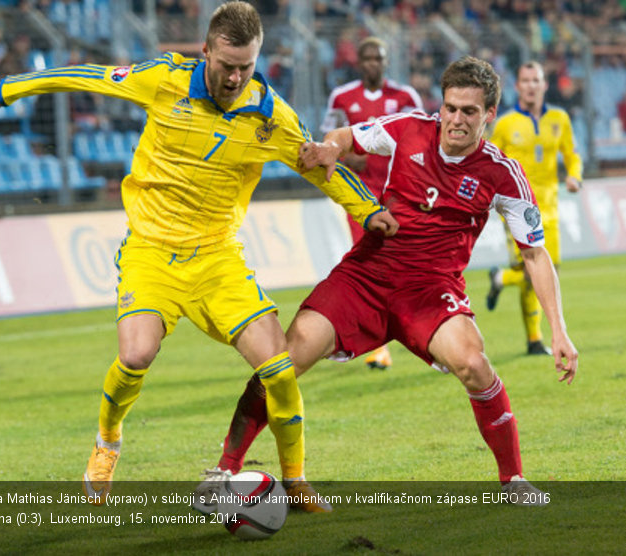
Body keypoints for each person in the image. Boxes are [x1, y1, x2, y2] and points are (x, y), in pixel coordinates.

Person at [0, 1, 397, 511]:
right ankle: (108, 441)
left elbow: (317, 164)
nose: (237, 77)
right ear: (205, 52)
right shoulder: (163, 79)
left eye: (247, 66)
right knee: (135, 356)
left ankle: (296, 480)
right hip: (151, 251)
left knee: (279, 369)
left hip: (218, 259)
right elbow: (91, 78)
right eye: (227, 65)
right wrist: (12, 87)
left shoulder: (270, 115)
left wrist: (369, 208)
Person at [202, 56, 578, 505]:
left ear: (489, 115)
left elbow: (534, 254)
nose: (455, 120)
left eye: (469, 112)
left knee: (475, 366)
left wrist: (559, 330)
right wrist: (329, 149)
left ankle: (513, 481)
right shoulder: (408, 129)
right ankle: (224, 469)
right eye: (450, 108)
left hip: (430, 291)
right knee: (281, 362)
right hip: (368, 275)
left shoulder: (503, 175)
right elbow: (347, 136)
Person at [320, 36, 423, 371]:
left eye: (377, 58)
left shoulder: (406, 97)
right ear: (358, 63)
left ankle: (415, 332)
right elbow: (328, 142)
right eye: (366, 59)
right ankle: (378, 346)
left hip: (399, 194)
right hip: (359, 197)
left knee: (407, 267)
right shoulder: (342, 97)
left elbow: (420, 141)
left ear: (385, 60)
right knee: (371, 264)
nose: (372, 64)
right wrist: (348, 158)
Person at [486, 61, 583, 355]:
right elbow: (489, 160)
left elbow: (573, 154)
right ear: (517, 87)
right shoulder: (504, 124)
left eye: (535, 80)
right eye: (525, 80)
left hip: (550, 206)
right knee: (531, 271)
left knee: (548, 271)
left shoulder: (560, 118)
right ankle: (533, 334)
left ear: (544, 85)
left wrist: (574, 176)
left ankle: (531, 337)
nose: (530, 85)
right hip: (516, 207)